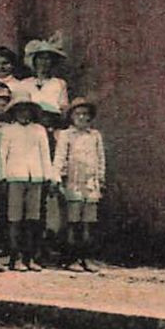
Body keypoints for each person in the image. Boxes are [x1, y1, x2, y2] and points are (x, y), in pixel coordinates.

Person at [0, 92, 55, 271]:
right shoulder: (7, 130)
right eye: (20, 110)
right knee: (15, 219)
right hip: (15, 177)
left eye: (27, 110)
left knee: (32, 219)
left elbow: (45, 155)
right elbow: (1, 156)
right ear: (14, 112)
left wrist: (48, 176)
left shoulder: (39, 130)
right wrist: (3, 177)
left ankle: (30, 257)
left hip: (35, 177)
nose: (24, 114)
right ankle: (16, 257)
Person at [53, 97, 105, 271]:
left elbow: (100, 159)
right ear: (72, 117)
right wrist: (57, 178)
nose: (82, 118)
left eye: (85, 114)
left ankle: (86, 258)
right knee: (73, 222)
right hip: (73, 182)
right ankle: (72, 258)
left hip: (91, 183)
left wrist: (100, 178)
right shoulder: (66, 135)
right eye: (78, 114)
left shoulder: (95, 135)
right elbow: (60, 158)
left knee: (88, 223)